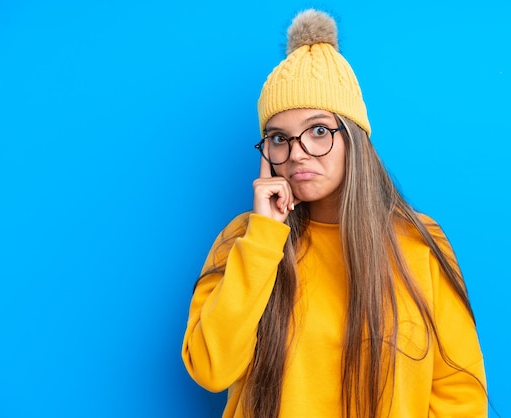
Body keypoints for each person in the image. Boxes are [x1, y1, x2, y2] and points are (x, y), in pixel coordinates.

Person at [182, 9, 487, 418]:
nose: (297, 153)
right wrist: (263, 240)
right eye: (279, 138)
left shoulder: (418, 240)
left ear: (354, 138)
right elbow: (210, 368)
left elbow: (460, 393)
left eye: (319, 131)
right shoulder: (245, 239)